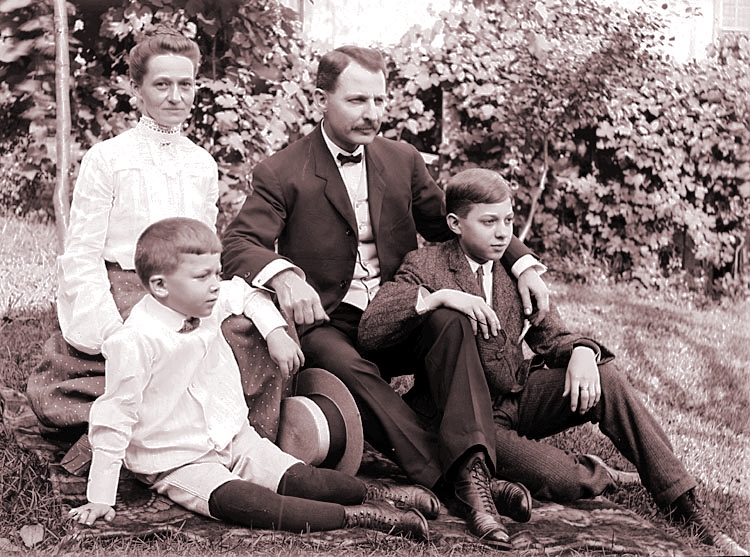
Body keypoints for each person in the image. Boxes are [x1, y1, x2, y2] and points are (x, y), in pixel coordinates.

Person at [221, 45, 547, 548]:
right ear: (321, 99)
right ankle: (462, 482)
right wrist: (285, 277)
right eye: (356, 100)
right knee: (347, 368)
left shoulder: (402, 159)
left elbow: (455, 224)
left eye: (379, 99)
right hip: (329, 320)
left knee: (453, 322)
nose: (372, 113)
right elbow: (239, 244)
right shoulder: (282, 171)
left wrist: (520, 261)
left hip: (397, 310)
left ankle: (473, 471)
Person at [358, 168, 748, 555]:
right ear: (455, 224)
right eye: (489, 222)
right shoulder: (426, 265)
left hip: (516, 395)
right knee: (561, 480)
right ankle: (598, 473)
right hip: (464, 422)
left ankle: (685, 504)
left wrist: (582, 352)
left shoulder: (515, 272)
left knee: (605, 376)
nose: (502, 233)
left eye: (508, 220)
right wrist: (436, 297)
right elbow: (371, 330)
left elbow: (554, 337)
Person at [67, 217, 438, 540]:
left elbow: (245, 293)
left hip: (232, 435)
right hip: (176, 457)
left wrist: (276, 331)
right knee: (246, 502)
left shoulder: (204, 300)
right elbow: (114, 417)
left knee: (301, 478)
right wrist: (100, 495)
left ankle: (377, 494)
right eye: (202, 277)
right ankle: (359, 517)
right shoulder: (133, 341)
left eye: (216, 273)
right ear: (161, 286)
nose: (215, 284)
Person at [26, 30, 288, 449]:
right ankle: (155, 438)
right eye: (161, 84)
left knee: (245, 332)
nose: (175, 97)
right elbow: (83, 254)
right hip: (125, 286)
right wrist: (111, 329)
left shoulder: (201, 163)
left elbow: (203, 249)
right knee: (159, 346)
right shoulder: (108, 158)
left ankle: (241, 446)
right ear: (137, 88)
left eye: (185, 85)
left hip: (185, 285)